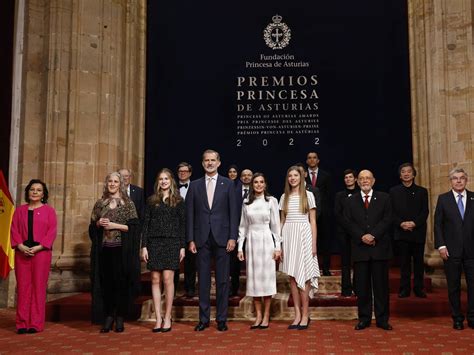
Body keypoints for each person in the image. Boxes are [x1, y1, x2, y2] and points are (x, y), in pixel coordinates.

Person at [186, 149, 238, 332]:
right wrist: (190, 239)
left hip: (223, 238)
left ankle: (222, 319)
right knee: (204, 282)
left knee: (223, 280)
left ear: (219, 162)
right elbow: (190, 214)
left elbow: (234, 213)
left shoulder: (229, 184)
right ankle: (204, 319)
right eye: (206, 160)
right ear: (202, 163)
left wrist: (233, 236)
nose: (209, 163)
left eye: (213, 160)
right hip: (201, 239)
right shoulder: (194, 185)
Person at [89, 172, 141, 332]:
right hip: (104, 251)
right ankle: (108, 316)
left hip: (122, 251)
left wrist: (114, 225)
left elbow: (134, 228)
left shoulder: (128, 204)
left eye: (115, 181)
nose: (112, 184)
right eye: (110, 181)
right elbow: (91, 227)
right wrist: (98, 224)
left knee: (120, 284)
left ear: (121, 184)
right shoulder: (100, 203)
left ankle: (119, 317)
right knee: (107, 284)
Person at [344, 170, 392, 331]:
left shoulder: (384, 198)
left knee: (381, 287)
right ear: (357, 182)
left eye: (368, 178)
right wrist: (362, 236)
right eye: (362, 179)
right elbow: (348, 222)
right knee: (362, 287)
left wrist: (373, 235)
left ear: (373, 180)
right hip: (360, 249)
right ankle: (364, 318)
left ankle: (382, 319)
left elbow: (387, 219)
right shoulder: (350, 201)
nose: (365, 181)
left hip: (379, 248)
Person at [10, 179, 57, 334]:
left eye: (38, 190)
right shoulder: (19, 211)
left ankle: (35, 324)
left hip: (41, 253)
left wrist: (38, 247)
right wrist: (21, 246)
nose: (35, 192)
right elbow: (14, 230)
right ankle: (22, 323)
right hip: (22, 253)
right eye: (32, 189)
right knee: (23, 288)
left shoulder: (49, 211)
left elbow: (52, 231)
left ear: (43, 194)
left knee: (38, 288)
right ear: (28, 192)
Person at [141, 168, 185, 332]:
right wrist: (144, 246)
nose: (164, 181)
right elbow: (145, 224)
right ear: (158, 182)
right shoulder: (151, 201)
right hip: (154, 243)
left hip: (172, 243)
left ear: (171, 181)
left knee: (168, 279)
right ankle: (158, 318)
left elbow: (182, 225)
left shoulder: (178, 201)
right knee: (154, 279)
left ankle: (168, 316)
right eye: (161, 179)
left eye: (166, 178)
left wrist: (182, 246)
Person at [237, 173, 281, 329]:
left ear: (265, 184)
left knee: (266, 279)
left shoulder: (271, 201)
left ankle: (267, 315)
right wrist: (240, 246)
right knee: (254, 280)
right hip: (252, 243)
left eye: (261, 182)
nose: (258, 184)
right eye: (256, 182)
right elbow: (243, 227)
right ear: (252, 184)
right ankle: (258, 316)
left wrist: (278, 247)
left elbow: (276, 226)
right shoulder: (246, 203)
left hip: (267, 241)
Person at [279, 166, 319, 330]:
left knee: (306, 277)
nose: (293, 178)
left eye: (295, 175)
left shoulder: (308, 195)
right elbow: (281, 222)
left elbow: (313, 222)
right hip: (289, 237)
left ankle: (305, 315)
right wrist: (279, 244)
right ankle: (296, 314)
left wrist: (314, 244)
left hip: (304, 236)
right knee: (293, 278)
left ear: (302, 177)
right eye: (290, 176)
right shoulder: (284, 197)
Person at [434, 167, 474, 330]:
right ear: (450, 181)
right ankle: (457, 318)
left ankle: (472, 317)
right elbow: (438, 224)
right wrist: (441, 246)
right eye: (455, 178)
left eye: (462, 178)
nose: (458, 181)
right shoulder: (443, 199)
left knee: (473, 285)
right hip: (450, 251)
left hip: (472, 251)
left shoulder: (473, 197)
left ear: (466, 180)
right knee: (454, 286)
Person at [390, 163, 429, 298]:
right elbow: (391, 212)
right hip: (401, 233)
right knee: (404, 263)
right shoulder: (394, 191)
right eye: (403, 172)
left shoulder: (422, 191)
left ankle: (419, 288)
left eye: (409, 171)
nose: (406, 174)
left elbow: (425, 212)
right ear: (400, 175)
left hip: (417, 232)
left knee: (418, 263)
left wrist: (414, 223)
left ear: (413, 174)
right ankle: (404, 289)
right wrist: (401, 223)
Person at [306, 152, 332, 276]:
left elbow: (329, 196)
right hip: (307, 216)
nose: (312, 160)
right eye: (309, 158)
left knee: (326, 242)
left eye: (314, 158)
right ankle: (310, 268)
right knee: (309, 242)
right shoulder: (302, 176)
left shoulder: (326, 176)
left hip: (324, 216)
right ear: (307, 161)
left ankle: (326, 268)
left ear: (318, 160)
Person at [334, 169, 359, 297]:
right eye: (346, 177)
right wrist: (348, 227)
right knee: (345, 263)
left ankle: (358, 288)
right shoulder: (340, 195)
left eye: (350, 177)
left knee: (358, 262)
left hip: (358, 234)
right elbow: (337, 214)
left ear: (355, 179)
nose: (348, 179)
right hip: (343, 233)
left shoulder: (360, 193)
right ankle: (346, 289)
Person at [230, 168, 253, 298]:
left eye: (249, 175)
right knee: (234, 263)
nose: (246, 177)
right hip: (236, 230)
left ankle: (253, 288)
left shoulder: (258, 191)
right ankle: (234, 288)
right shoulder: (233, 191)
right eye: (243, 175)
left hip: (253, 231)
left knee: (252, 261)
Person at [177, 162, 196, 298]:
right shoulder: (171, 187)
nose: (182, 173)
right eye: (180, 171)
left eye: (185, 171)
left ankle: (190, 288)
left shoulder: (196, 187)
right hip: (174, 228)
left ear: (190, 173)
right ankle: (173, 287)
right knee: (174, 259)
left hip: (191, 227)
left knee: (190, 260)